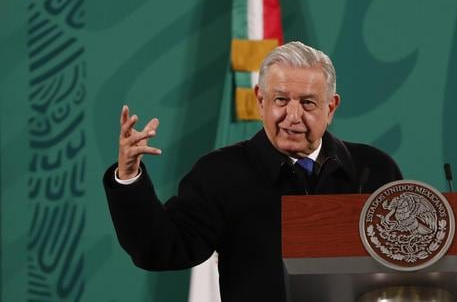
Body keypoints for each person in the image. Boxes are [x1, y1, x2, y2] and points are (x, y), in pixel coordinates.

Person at [103, 41, 402, 302]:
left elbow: (407, 261)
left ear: (331, 107)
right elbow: (162, 249)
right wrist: (129, 177)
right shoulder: (219, 173)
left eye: (308, 103)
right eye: (281, 100)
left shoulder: (374, 169)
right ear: (260, 100)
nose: (293, 116)